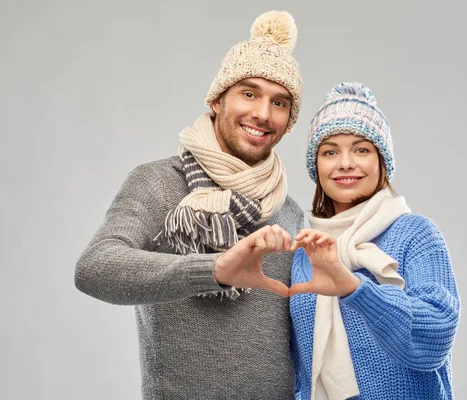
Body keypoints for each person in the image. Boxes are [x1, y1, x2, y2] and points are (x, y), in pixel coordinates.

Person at [75, 10, 304, 399]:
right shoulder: (159, 182)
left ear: (288, 120)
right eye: (249, 93)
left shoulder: (289, 210)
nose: (263, 114)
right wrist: (214, 268)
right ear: (217, 99)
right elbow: (95, 267)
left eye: (280, 103)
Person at [289, 83, 461, 399]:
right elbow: (295, 364)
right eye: (330, 151)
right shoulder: (304, 251)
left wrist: (354, 288)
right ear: (317, 166)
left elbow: (435, 335)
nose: (345, 163)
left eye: (361, 149)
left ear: (382, 161)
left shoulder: (415, 234)